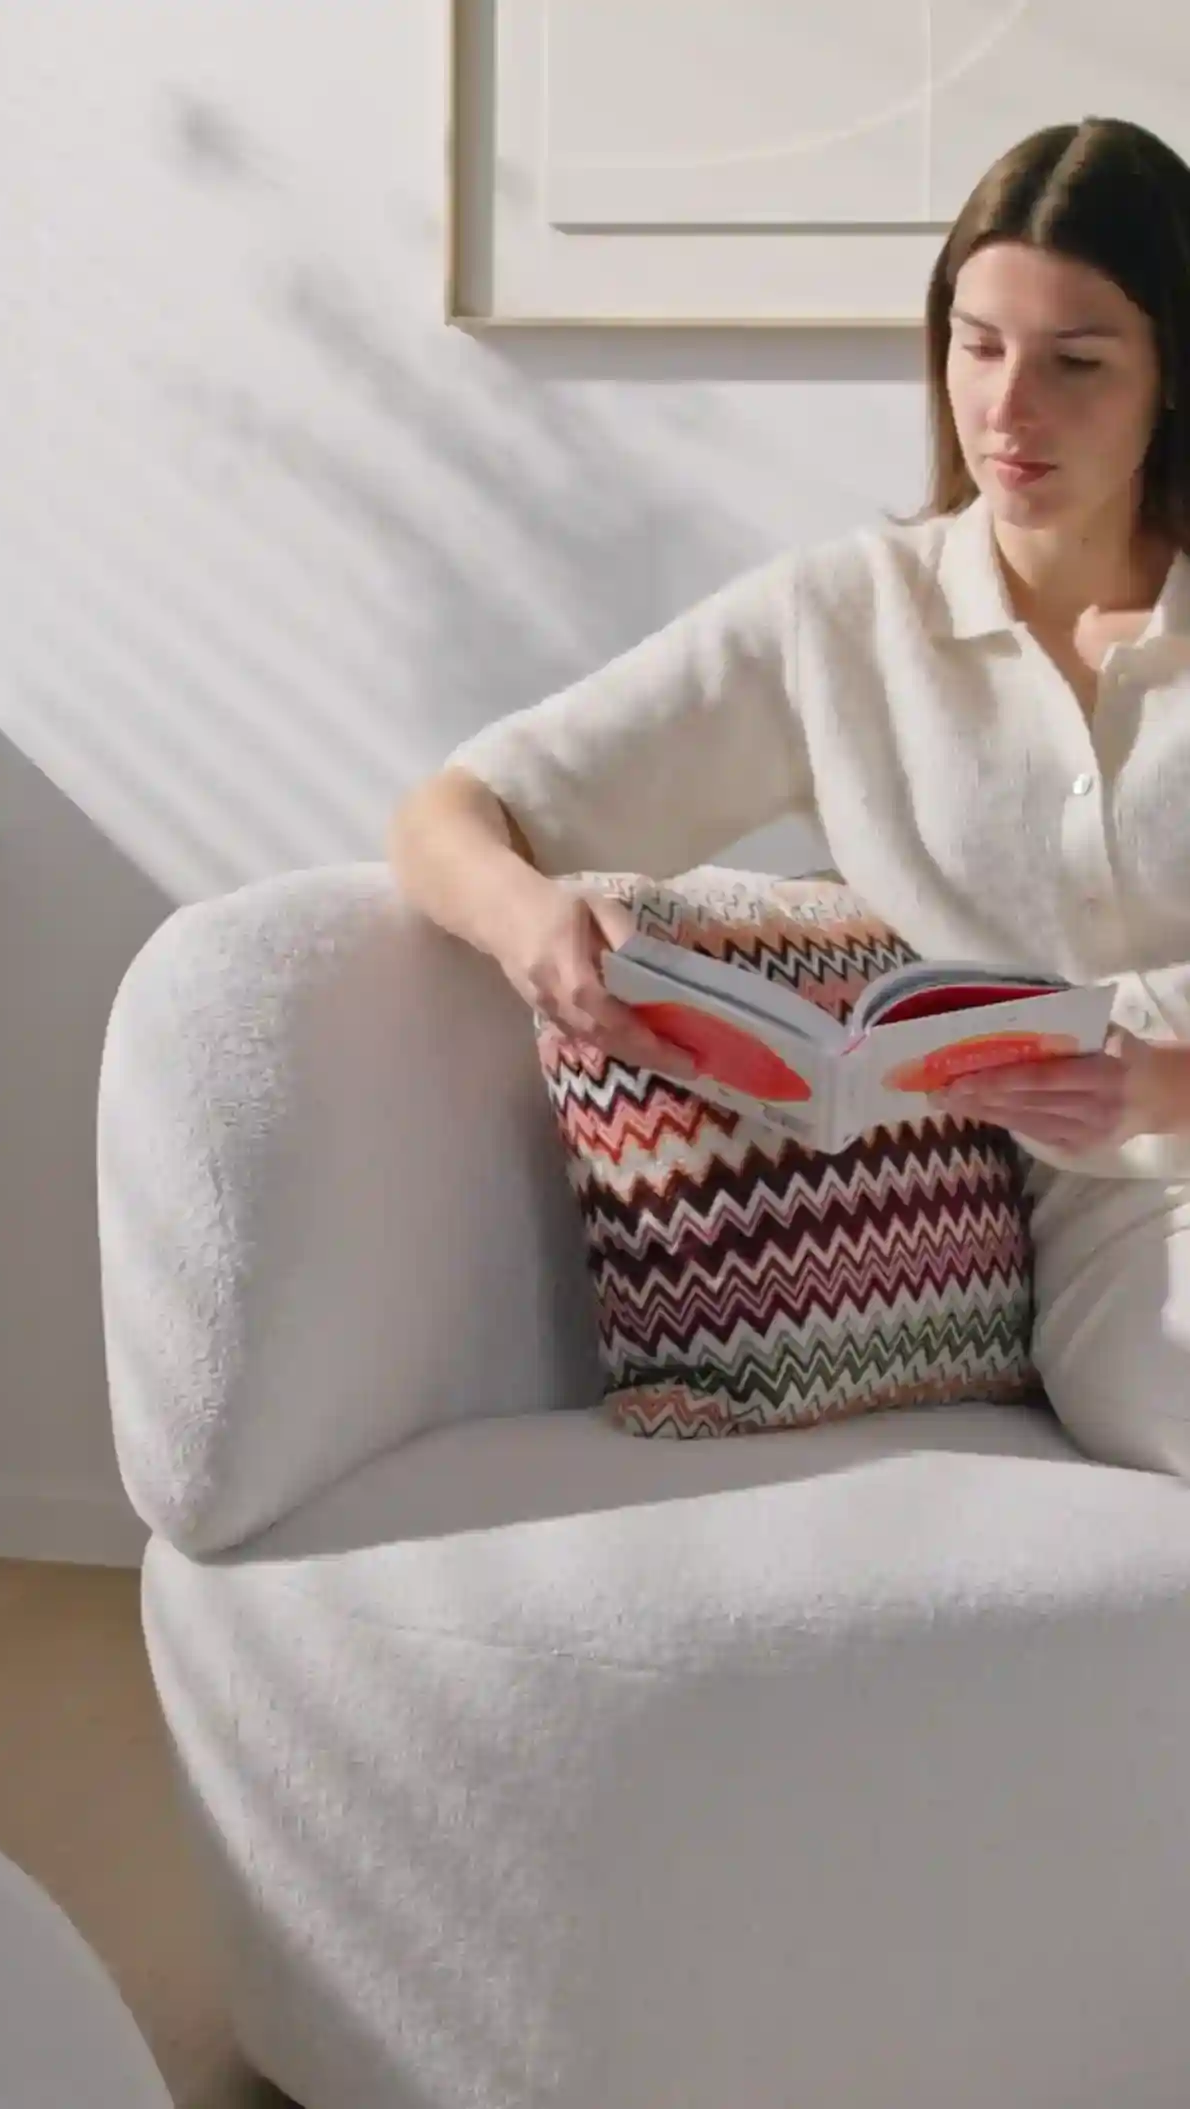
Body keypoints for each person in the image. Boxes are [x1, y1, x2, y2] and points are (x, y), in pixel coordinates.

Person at [388, 115, 1190, 1478]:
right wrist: (528, 924)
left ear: (1172, 373)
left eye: (1074, 363)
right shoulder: (837, 622)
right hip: (1135, 1232)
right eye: (975, 344)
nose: (1006, 408)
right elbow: (456, 813)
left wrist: (1162, 1076)